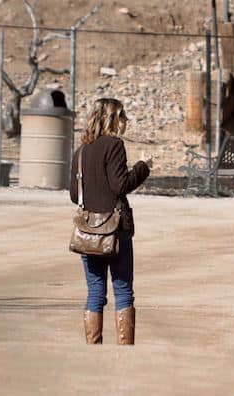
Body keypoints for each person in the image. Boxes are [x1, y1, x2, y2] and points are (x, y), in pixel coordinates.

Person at [70, 98, 152, 345]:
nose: (126, 120)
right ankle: (124, 353)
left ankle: (93, 349)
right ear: (113, 119)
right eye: (123, 115)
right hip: (115, 231)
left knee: (95, 292)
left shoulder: (82, 150)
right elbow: (121, 185)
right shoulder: (114, 145)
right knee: (123, 291)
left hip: (88, 232)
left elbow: (75, 195)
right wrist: (143, 167)